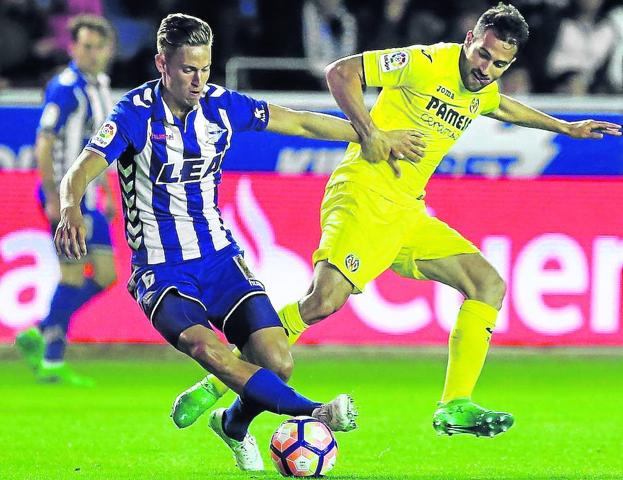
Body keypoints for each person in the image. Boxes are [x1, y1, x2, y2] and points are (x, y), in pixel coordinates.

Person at [173, 2, 621, 438]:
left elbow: (500, 105)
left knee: (487, 286)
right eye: (483, 53)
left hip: (407, 209)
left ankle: (454, 405)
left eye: (500, 62)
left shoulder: (483, 85)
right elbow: (341, 72)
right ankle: (217, 381)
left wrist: (565, 127)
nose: (487, 67)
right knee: (322, 302)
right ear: (469, 40)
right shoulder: (424, 62)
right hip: (364, 191)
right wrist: (371, 134)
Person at [53, 13, 423, 471]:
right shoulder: (134, 113)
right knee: (209, 350)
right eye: (188, 69)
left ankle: (232, 425)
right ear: (162, 64)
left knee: (277, 361)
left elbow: (302, 123)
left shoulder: (223, 106)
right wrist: (70, 206)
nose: (198, 79)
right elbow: (81, 169)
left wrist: (371, 134)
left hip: (221, 259)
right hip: (161, 270)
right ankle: (316, 411)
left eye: (205, 68)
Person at [15, 14, 117, 386]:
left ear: (109, 50)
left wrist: (105, 190)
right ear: (73, 47)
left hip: (89, 198)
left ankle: (39, 330)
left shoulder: (102, 86)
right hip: (66, 198)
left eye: (98, 46)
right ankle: (53, 360)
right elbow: (45, 141)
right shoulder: (66, 86)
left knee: (107, 275)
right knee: (73, 276)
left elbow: (100, 147)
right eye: (84, 46)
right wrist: (56, 198)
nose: (91, 53)